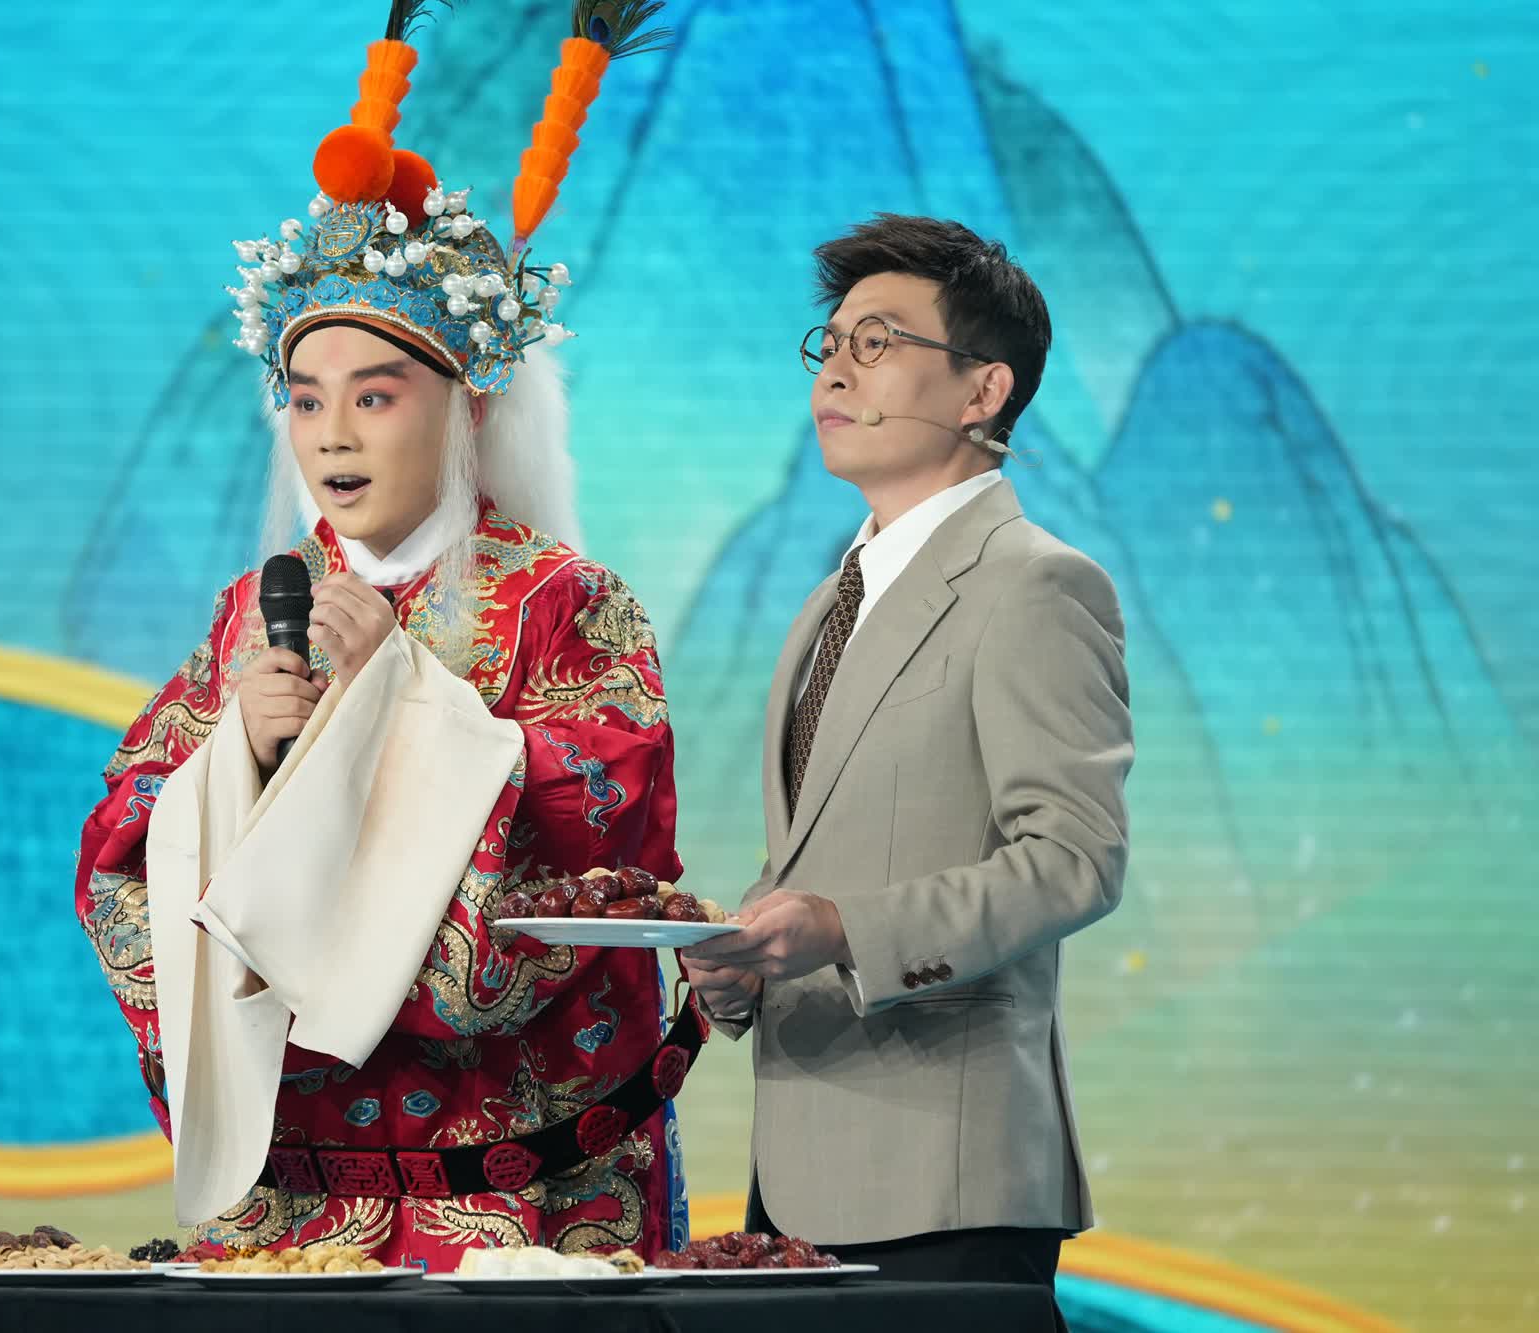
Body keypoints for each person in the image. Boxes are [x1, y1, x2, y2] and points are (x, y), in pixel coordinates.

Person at [73, 3, 700, 1269]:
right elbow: (124, 847)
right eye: (307, 401)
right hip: (295, 1190)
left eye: (374, 395)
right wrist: (236, 759)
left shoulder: (564, 602)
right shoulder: (257, 609)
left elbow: (601, 843)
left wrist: (404, 701)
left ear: (468, 408)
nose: (335, 436)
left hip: (515, 1179)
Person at [683, 214, 1131, 1319]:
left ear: (983, 390)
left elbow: (1074, 858)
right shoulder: (830, 600)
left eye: (877, 342)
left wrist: (845, 929)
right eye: (829, 342)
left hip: (945, 1182)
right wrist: (743, 954)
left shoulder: (1034, 584)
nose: (835, 369)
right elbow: (829, 850)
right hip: (797, 1179)